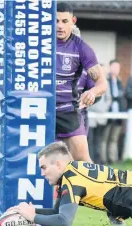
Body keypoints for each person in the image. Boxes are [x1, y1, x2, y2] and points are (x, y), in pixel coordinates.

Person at [55, 2, 108, 162]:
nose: (60, 26)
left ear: (73, 21)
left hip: (67, 110)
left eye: (64, 21)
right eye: (56, 21)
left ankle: (101, 187)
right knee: (45, 163)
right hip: (40, 109)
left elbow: (102, 84)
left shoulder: (81, 48)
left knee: (83, 162)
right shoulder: (38, 42)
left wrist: (92, 92)